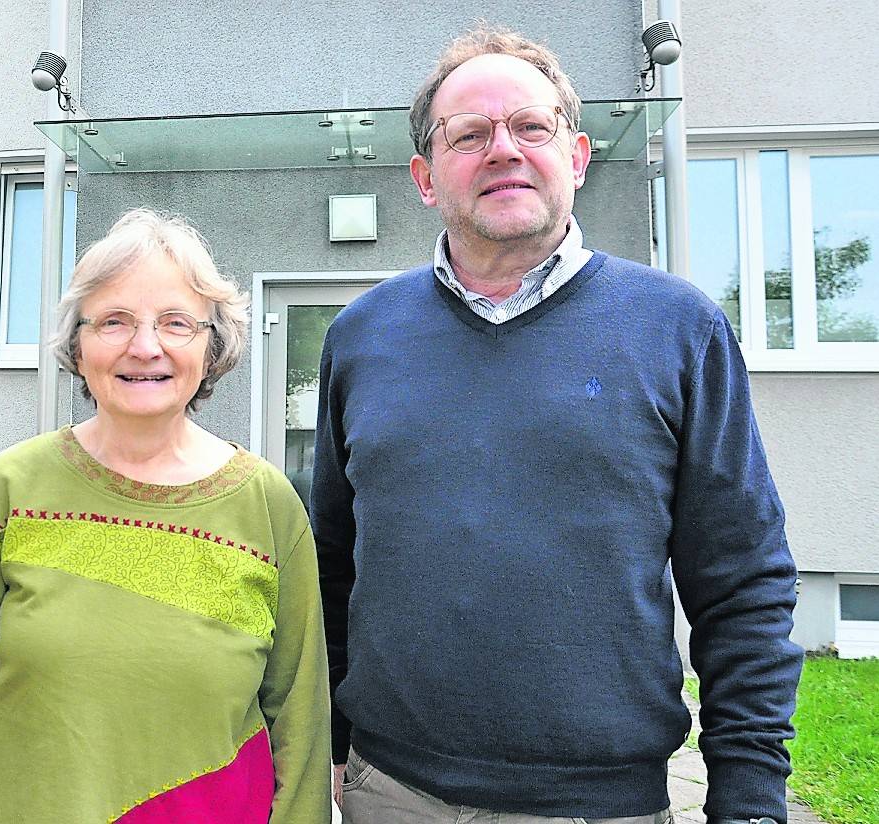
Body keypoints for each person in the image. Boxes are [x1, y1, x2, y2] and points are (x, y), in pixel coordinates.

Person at [311, 24, 801, 824]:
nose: (502, 149)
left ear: (574, 155)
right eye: (467, 134)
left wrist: (748, 798)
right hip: (389, 793)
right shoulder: (362, 336)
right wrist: (327, 751)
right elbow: (333, 565)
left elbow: (741, 581)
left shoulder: (677, 329)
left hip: (601, 807)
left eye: (529, 127)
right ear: (425, 176)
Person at [0, 208, 332, 823]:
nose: (145, 346)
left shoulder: (266, 505)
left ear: (214, 345)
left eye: (176, 323)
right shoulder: (6, 491)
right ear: (78, 344)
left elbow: (300, 719)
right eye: (114, 321)